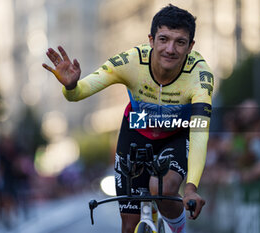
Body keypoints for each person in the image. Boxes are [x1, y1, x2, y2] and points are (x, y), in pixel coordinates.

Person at [43, 4, 213, 233]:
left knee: (159, 187)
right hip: (136, 131)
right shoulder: (131, 61)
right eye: (163, 39)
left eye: (180, 42)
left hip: (176, 133)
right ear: (151, 40)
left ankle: (178, 229)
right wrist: (71, 86)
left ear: (190, 46)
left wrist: (191, 188)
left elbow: (200, 132)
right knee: (129, 226)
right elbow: (79, 92)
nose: (170, 49)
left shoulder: (200, 76)